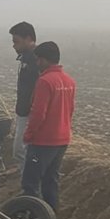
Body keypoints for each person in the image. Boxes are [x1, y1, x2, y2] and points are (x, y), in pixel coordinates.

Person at [21, 41, 77, 210]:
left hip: (43, 141)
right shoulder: (69, 81)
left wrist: (29, 135)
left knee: (30, 183)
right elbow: (70, 110)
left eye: (38, 60)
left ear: (45, 60)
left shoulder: (45, 81)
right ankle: (51, 215)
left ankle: (31, 218)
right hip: (62, 139)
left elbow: (38, 113)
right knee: (51, 180)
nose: (37, 63)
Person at [8, 21, 40, 169]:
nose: (14, 45)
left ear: (28, 39)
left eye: (17, 41)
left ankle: (30, 186)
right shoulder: (26, 58)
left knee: (21, 151)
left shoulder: (36, 60)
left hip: (29, 112)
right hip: (24, 111)